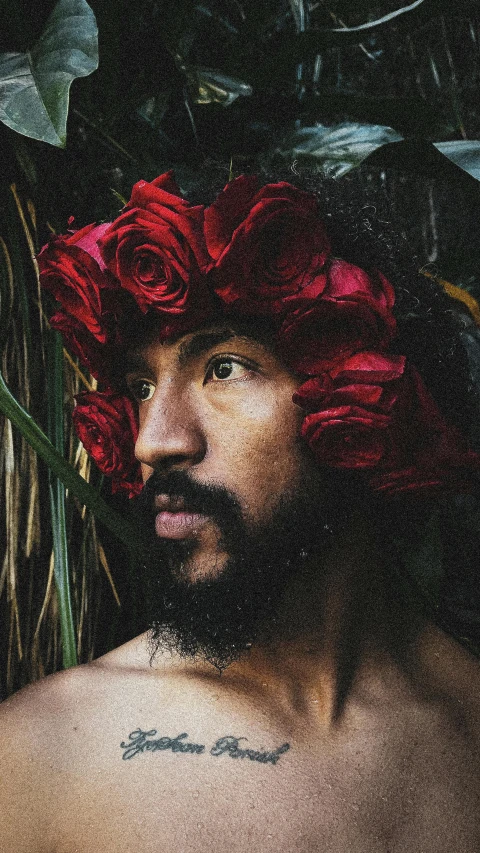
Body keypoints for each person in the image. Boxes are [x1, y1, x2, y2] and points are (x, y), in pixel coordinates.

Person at [1, 172, 479, 853]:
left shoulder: (467, 721)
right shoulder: (44, 757)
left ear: (360, 392)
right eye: (140, 385)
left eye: (223, 367)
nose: (154, 438)